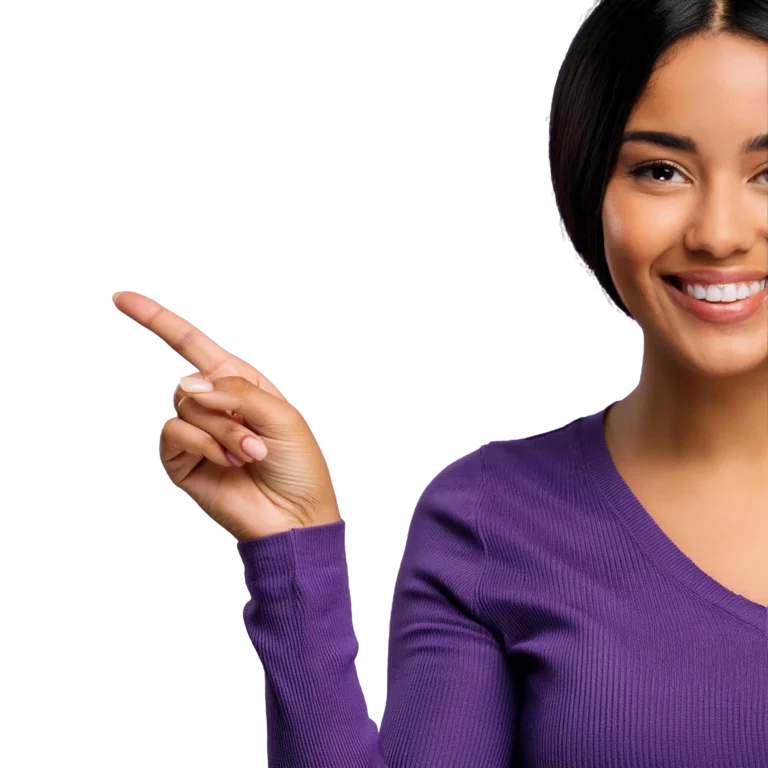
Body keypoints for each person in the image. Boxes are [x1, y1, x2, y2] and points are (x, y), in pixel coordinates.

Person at [109, 1, 768, 765]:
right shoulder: (494, 519)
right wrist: (293, 552)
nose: (719, 232)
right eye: (660, 170)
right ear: (591, 182)